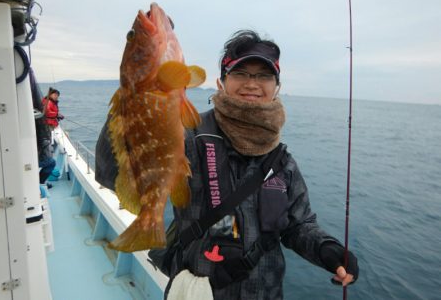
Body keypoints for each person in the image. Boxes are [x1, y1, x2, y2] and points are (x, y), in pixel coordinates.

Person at [96, 30, 359, 299]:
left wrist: (327, 249)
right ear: (221, 82)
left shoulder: (283, 162)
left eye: (264, 75)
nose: (252, 84)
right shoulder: (188, 136)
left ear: (276, 87)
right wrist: (133, 96)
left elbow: (299, 225)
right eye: (240, 73)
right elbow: (109, 173)